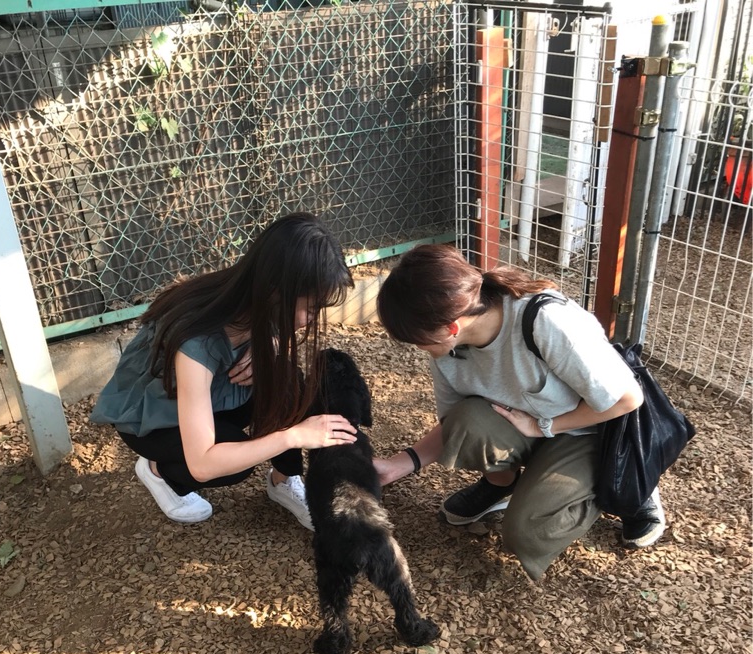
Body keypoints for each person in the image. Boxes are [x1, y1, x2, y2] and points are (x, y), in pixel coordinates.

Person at [374, 243, 666, 581]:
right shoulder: (449, 352)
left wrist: (543, 426)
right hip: (529, 423)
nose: (417, 347)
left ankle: (632, 482)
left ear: (450, 327)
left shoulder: (545, 321)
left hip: (593, 430)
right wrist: (400, 464)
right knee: (468, 421)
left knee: (526, 534)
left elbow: (626, 399)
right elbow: (454, 424)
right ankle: (502, 485)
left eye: (417, 339)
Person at [91, 213, 358, 527]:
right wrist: (293, 436)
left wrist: (268, 344)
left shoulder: (257, 299)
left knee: (286, 379)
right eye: (312, 308)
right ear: (277, 291)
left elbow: (274, 343)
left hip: (210, 396)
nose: (313, 318)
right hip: (154, 418)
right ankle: (158, 470)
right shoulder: (197, 341)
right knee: (231, 464)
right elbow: (204, 463)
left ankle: (284, 480)